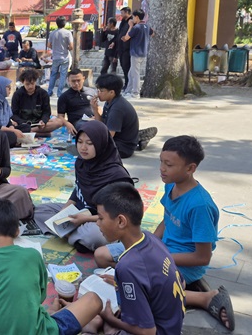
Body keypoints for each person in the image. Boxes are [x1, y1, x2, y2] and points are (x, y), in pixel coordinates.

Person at [94, 136, 235, 331]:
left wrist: (156, 257)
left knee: (143, 284)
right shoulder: (171, 184)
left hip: (183, 260)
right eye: (161, 161)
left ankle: (204, 298)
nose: (162, 169)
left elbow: (202, 257)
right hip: (160, 251)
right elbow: (166, 219)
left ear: (190, 168)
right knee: (101, 255)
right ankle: (148, 284)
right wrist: (147, 244)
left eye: (168, 165)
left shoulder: (200, 206)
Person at [0, 199, 103, 335]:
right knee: (93, 299)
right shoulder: (33, 255)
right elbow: (40, 297)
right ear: (17, 231)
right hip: (41, 331)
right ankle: (53, 315)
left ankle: (50, 314)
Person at [82, 182, 186, 335]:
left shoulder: (127, 267)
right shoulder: (152, 239)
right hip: (174, 326)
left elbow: (147, 332)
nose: (97, 223)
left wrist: (110, 318)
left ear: (121, 221)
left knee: (93, 319)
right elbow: (182, 283)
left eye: (101, 218)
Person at [34, 120, 134, 252]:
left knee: (94, 236)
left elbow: (119, 215)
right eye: (80, 142)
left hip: (103, 219)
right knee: (39, 211)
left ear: (101, 143)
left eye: (90, 143)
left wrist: (84, 219)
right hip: (80, 211)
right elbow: (78, 190)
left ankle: (69, 234)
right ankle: (73, 236)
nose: (83, 148)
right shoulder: (81, 163)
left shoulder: (116, 175)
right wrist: (63, 213)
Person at [89, 74, 158, 158]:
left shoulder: (117, 108)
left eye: (101, 91)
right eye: (97, 90)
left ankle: (138, 138)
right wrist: (95, 109)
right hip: (118, 139)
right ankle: (139, 137)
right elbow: (101, 124)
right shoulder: (109, 101)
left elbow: (109, 135)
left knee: (90, 148)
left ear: (111, 92)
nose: (98, 93)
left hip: (123, 148)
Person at [12, 69, 64, 134]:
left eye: (32, 83)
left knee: (59, 122)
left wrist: (43, 121)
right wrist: (21, 122)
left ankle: (30, 131)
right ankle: (38, 133)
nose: (30, 86)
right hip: (23, 124)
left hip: (38, 124)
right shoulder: (17, 94)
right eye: (27, 84)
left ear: (35, 82)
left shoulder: (43, 94)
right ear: (23, 83)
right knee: (12, 125)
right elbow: (14, 114)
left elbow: (47, 112)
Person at [122, 9, 154, 99]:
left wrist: (130, 26)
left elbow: (126, 38)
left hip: (135, 53)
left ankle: (136, 93)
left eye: (133, 17)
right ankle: (128, 91)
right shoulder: (147, 26)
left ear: (136, 17)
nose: (132, 19)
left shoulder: (136, 27)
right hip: (143, 53)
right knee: (131, 73)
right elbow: (153, 34)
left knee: (135, 73)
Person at [0, 76, 24, 148]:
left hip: (5, 129)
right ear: (0, 87)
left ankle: (16, 140)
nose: (10, 89)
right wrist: (12, 131)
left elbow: (8, 120)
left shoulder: (4, 101)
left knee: (25, 127)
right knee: (12, 136)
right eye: (8, 87)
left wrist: (11, 127)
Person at [56, 69, 96, 136]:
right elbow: (60, 116)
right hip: (78, 122)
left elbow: (98, 108)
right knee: (88, 127)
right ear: (68, 80)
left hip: (93, 118)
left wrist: (97, 117)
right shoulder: (64, 96)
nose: (76, 83)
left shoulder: (91, 92)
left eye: (78, 80)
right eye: (73, 81)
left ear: (83, 79)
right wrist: (67, 124)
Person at [47, 16, 74, 97]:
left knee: (53, 75)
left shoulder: (52, 33)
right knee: (63, 75)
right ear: (64, 23)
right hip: (64, 57)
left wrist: (55, 48)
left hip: (55, 57)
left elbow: (49, 45)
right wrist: (67, 48)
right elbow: (71, 46)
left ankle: (49, 91)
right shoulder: (68, 33)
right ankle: (59, 93)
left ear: (56, 23)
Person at [116, 7, 133, 91]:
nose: (121, 15)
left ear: (127, 12)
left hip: (128, 49)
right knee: (123, 67)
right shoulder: (123, 22)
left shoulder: (131, 21)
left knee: (127, 67)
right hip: (121, 48)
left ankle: (129, 85)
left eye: (122, 13)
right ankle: (126, 84)